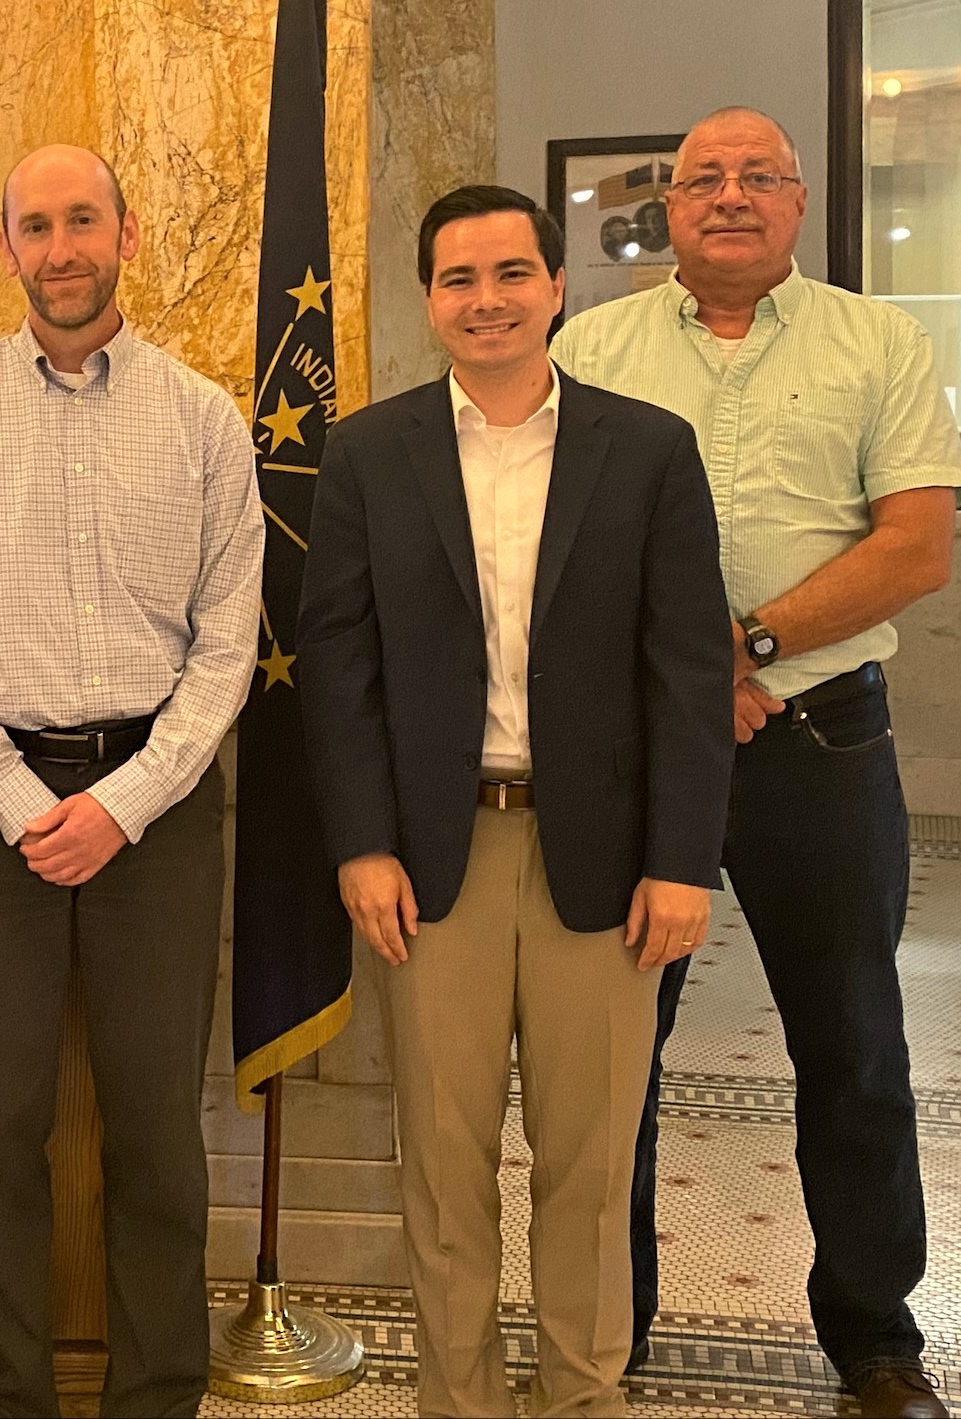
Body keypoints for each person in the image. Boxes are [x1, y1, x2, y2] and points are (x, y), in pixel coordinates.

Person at [555, 107, 961, 1419]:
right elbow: (558, 543)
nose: (729, 195)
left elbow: (915, 545)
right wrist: (685, 680)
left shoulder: (879, 343)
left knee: (853, 1046)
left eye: (757, 176)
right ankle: (605, 1331)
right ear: (666, 211)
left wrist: (744, 648)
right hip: (637, 750)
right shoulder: (590, 350)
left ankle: (876, 1342)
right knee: (614, 1055)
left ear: (797, 201)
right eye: (703, 179)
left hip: (818, 735)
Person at [299, 186, 732, 1417]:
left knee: (591, 1171)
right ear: (429, 299)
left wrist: (683, 861)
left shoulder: (647, 450)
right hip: (437, 862)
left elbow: (688, 670)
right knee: (444, 1169)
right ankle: (463, 1402)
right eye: (458, 278)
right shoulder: (369, 454)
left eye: (508, 274)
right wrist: (362, 845)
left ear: (555, 287)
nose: (484, 300)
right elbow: (338, 665)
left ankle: (584, 1398)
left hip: (606, 861)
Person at [0, 144, 264, 1418]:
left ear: (127, 234)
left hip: (157, 809)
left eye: (83, 220)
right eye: (36, 226)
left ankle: (157, 1397)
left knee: (156, 1128)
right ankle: (10, 1401)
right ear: (7, 247)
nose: (62, 249)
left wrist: (124, 803)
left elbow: (227, 647)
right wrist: (19, 801)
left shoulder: (203, 420)